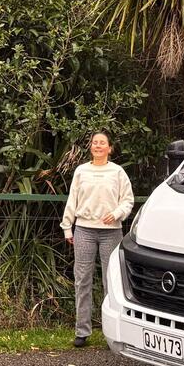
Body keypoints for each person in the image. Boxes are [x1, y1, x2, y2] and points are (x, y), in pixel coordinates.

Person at [61, 130, 134, 347]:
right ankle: (82, 331)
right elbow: (72, 199)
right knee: (82, 279)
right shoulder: (81, 171)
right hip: (84, 230)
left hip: (111, 231)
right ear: (91, 147)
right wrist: (67, 227)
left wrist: (118, 213)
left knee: (110, 281)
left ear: (110, 148)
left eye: (103, 143)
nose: (98, 146)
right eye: (95, 142)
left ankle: (111, 331)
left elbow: (128, 200)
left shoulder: (118, 172)